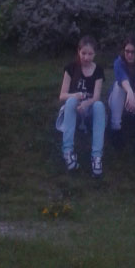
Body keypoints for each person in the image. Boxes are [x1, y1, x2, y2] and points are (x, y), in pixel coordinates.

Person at [58, 35, 105, 177]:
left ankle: (97, 156)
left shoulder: (98, 70)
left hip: (89, 108)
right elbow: (62, 95)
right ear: (78, 51)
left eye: (90, 54)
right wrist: (76, 96)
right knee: (71, 101)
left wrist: (86, 103)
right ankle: (67, 151)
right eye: (83, 53)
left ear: (95, 54)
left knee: (99, 105)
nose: (86, 57)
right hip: (73, 109)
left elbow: (96, 97)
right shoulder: (71, 68)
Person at [108, 34, 135, 150]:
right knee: (118, 87)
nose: (130, 55)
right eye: (127, 51)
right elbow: (123, 79)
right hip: (119, 101)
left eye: (133, 52)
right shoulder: (118, 62)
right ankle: (115, 128)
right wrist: (130, 93)